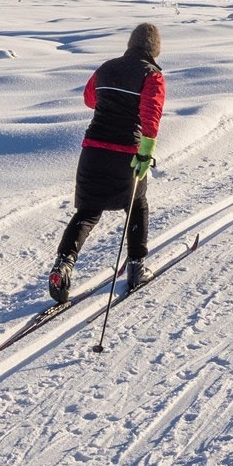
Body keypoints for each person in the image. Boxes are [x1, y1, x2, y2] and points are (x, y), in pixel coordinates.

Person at [48, 22, 165, 302]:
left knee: (88, 211)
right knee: (137, 205)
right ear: (155, 50)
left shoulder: (106, 68)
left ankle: (63, 266)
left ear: (130, 44)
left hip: (93, 150)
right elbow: (151, 115)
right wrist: (145, 152)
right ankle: (136, 267)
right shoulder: (152, 75)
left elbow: (90, 99)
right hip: (126, 153)